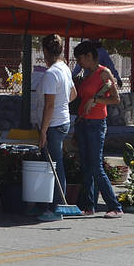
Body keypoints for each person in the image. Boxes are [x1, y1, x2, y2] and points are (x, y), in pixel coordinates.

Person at [74, 40, 125, 219]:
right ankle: (89, 205)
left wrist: (95, 100)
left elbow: (115, 99)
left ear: (89, 56)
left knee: (96, 166)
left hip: (96, 123)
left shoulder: (104, 73)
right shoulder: (87, 74)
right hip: (83, 122)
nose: (79, 63)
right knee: (86, 165)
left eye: (80, 59)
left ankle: (115, 206)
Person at [37, 33, 76, 222]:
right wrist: (63, 104)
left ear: (45, 51)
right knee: (56, 163)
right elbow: (73, 94)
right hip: (64, 121)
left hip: (53, 124)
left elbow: (49, 105)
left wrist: (43, 131)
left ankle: (56, 207)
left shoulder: (51, 74)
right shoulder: (65, 69)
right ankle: (56, 204)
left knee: (54, 164)